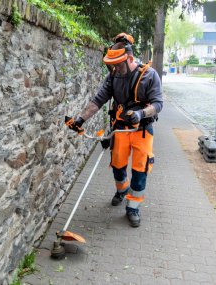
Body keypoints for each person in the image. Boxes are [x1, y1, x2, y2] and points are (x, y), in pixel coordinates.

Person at [65, 33, 163, 227]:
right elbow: (98, 100)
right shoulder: (113, 76)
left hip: (142, 131)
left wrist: (140, 114)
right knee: (117, 165)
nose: (116, 69)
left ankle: (133, 207)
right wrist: (80, 119)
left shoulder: (149, 76)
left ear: (130, 59)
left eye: (119, 64)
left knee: (139, 170)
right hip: (119, 130)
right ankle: (121, 190)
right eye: (113, 65)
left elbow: (158, 104)